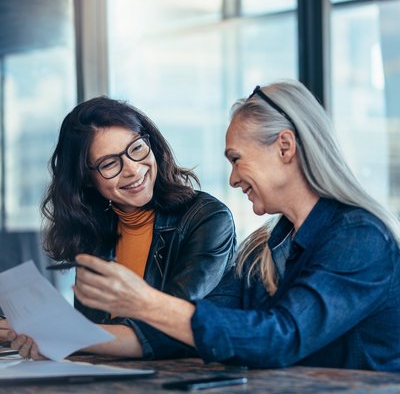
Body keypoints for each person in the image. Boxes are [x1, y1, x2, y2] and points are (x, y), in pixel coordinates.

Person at [10, 80, 400, 371]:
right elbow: (181, 331)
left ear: (285, 147)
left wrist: (144, 301)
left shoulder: (360, 237)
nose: (232, 179)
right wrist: (58, 338)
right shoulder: (262, 250)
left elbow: (279, 337)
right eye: (110, 163)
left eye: (236, 159)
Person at [3, 96, 238, 360]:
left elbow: (172, 325)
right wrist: (45, 337)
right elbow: (93, 332)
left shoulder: (207, 218)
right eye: (110, 163)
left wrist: (62, 336)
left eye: (136, 148)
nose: (133, 169)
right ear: (86, 179)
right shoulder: (93, 232)